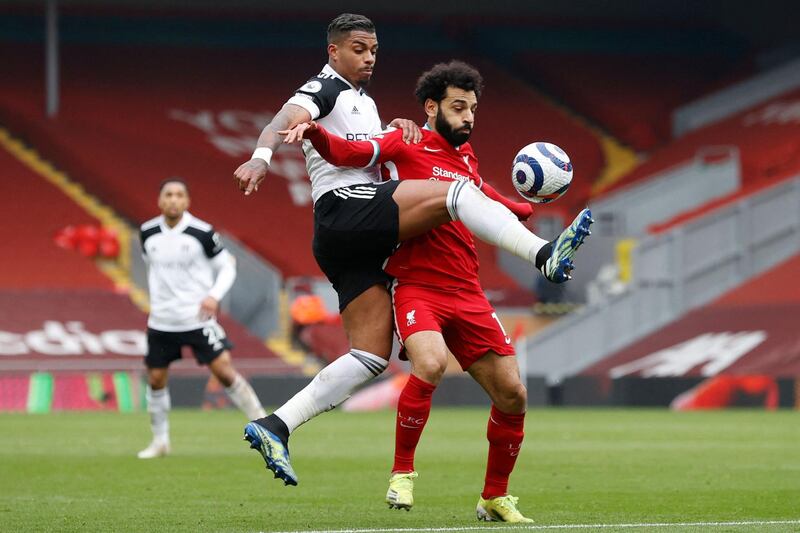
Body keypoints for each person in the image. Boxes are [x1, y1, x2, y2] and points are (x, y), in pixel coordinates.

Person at [234, 14, 590, 486]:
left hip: (349, 244)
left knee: (370, 354)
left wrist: (515, 207)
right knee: (454, 194)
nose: (368, 58)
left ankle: (276, 425)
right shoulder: (324, 88)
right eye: (359, 49)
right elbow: (285, 121)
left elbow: (375, 150)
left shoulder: (362, 101)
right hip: (346, 210)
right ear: (334, 52)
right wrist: (261, 158)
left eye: (374, 50)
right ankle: (545, 256)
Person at [137, 178, 266, 459]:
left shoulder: (202, 233)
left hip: (197, 318)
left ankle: (264, 426)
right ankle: (160, 441)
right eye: (168, 194)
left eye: (179, 195)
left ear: (187, 201)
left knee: (223, 371)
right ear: (160, 200)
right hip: (162, 321)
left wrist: (214, 296)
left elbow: (227, 267)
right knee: (156, 380)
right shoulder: (147, 233)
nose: (173, 199)